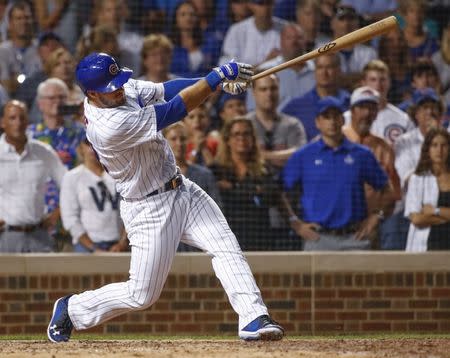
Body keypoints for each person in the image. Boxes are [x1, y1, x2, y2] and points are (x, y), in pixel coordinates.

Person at [47, 52, 284, 342]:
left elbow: (165, 91)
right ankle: (73, 309)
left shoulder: (121, 88)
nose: (120, 88)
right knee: (141, 295)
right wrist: (215, 78)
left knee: (226, 246)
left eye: (119, 81)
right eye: (111, 88)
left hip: (182, 189)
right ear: (93, 94)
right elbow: (174, 110)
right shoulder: (107, 126)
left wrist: (217, 84)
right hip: (148, 208)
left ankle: (253, 317)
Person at [282, 96, 391, 251]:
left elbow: (387, 190)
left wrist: (376, 216)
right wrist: (296, 223)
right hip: (318, 239)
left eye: (336, 116)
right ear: (317, 122)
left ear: (342, 119)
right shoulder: (303, 156)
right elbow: (280, 191)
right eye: (326, 117)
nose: (332, 121)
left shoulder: (362, 154)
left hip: (356, 238)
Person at [0, 100, 66, 252]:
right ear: (2, 123)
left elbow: (69, 185)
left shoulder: (44, 152)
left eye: (22, 118)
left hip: (39, 234)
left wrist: (56, 214)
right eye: (12, 118)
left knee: (46, 276)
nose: (18, 122)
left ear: (28, 121)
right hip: (5, 236)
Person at [211, 117, 281, 250]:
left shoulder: (263, 170)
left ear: (253, 139)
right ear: (228, 140)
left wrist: (233, 188)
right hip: (226, 240)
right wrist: (254, 191)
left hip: (260, 238)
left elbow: (271, 197)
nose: (241, 138)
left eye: (246, 134)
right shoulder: (216, 170)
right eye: (236, 134)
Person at [60, 138, 128, 253]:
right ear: (81, 147)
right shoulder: (72, 177)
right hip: (86, 246)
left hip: (120, 243)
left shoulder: (120, 174)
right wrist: (93, 248)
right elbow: (70, 218)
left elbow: (131, 211)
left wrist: (123, 243)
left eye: (97, 142)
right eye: (88, 143)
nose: (93, 147)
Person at [246, 22, 316, 111]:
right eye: (289, 38)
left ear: (305, 41)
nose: (294, 42)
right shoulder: (265, 71)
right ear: (281, 41)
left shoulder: (318, 69)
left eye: (299, 38)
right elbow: (252, 108)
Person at [281, 53, 350, 141]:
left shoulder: (351, 103)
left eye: (329, 67)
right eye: (320, 67)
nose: (324, 73)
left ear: (339, 71)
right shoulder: (296, 106)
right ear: (314, 71)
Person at [405, 128, 450, 251]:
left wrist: (435, 210)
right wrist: (447, 218)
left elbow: (424, 217)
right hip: (424, 247)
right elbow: (417, 219)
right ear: (428, 149)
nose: (439, 150)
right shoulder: (417, 179)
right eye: (434, 145)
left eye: (444, 145)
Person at [357, 60, 415, 145]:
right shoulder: (349, 119)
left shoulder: (404, 119)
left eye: (383, 80)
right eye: (373, 80)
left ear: (389, 82)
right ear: (363, 83)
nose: (378, 85)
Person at [163, 122, 221, 205]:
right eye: (173, 139)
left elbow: (216, 205)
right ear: (165, 142)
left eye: (182, 139)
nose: (179, 143)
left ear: (188, 141)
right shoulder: (158, 176)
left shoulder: (205, 174)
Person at [219, 0, 286, 66]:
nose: (265, 8)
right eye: (260, 3)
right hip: (248, 77)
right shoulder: (236, 31)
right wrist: (265, 63)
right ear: (251, 5)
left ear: (274, 4)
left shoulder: (287, 29)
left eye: (268, 3)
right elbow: (228, 70)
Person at [0, 1, 41, 95]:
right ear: (10, 23)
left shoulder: (41, 47)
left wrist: (14, 80)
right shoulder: (2, 51)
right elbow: (6, 86)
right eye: (18, 18)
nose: (24, 22)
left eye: (27, 18)